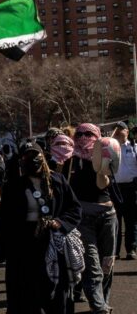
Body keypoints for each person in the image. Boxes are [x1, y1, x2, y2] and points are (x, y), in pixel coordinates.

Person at [0, 141, 82, 314]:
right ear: (21, 160)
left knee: (56, 294)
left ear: (43, 157)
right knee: (26, 295)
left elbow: (74, 208)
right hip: (24, 245)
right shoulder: (14, 186)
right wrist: (0, 251)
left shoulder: (57, 181)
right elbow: (5, 220)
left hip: (52, 241)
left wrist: (60, 223)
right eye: (27, 156)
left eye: (35, 155)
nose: (32, 159)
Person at [65, 123, 117, 314]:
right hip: (83, 217)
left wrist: (102, 165)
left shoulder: (105, 155)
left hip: (107, 214)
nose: (83, 137)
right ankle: (98, 306)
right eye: (79, 134)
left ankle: (103, 300)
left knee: (107, 262)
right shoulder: (70, 159)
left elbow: (103, 185)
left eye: (88, 133)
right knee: (92, 264)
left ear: (97, 136)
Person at [111, 121, 137, 260]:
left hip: (131, 188)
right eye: (117, 129)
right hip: (115, 188)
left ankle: (131, 249)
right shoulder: (109, 148)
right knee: (115, 221)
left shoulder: (134, 147)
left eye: (122, 129)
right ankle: (115, 251)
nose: (119, 132)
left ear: (127, 132)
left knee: (131, 220)